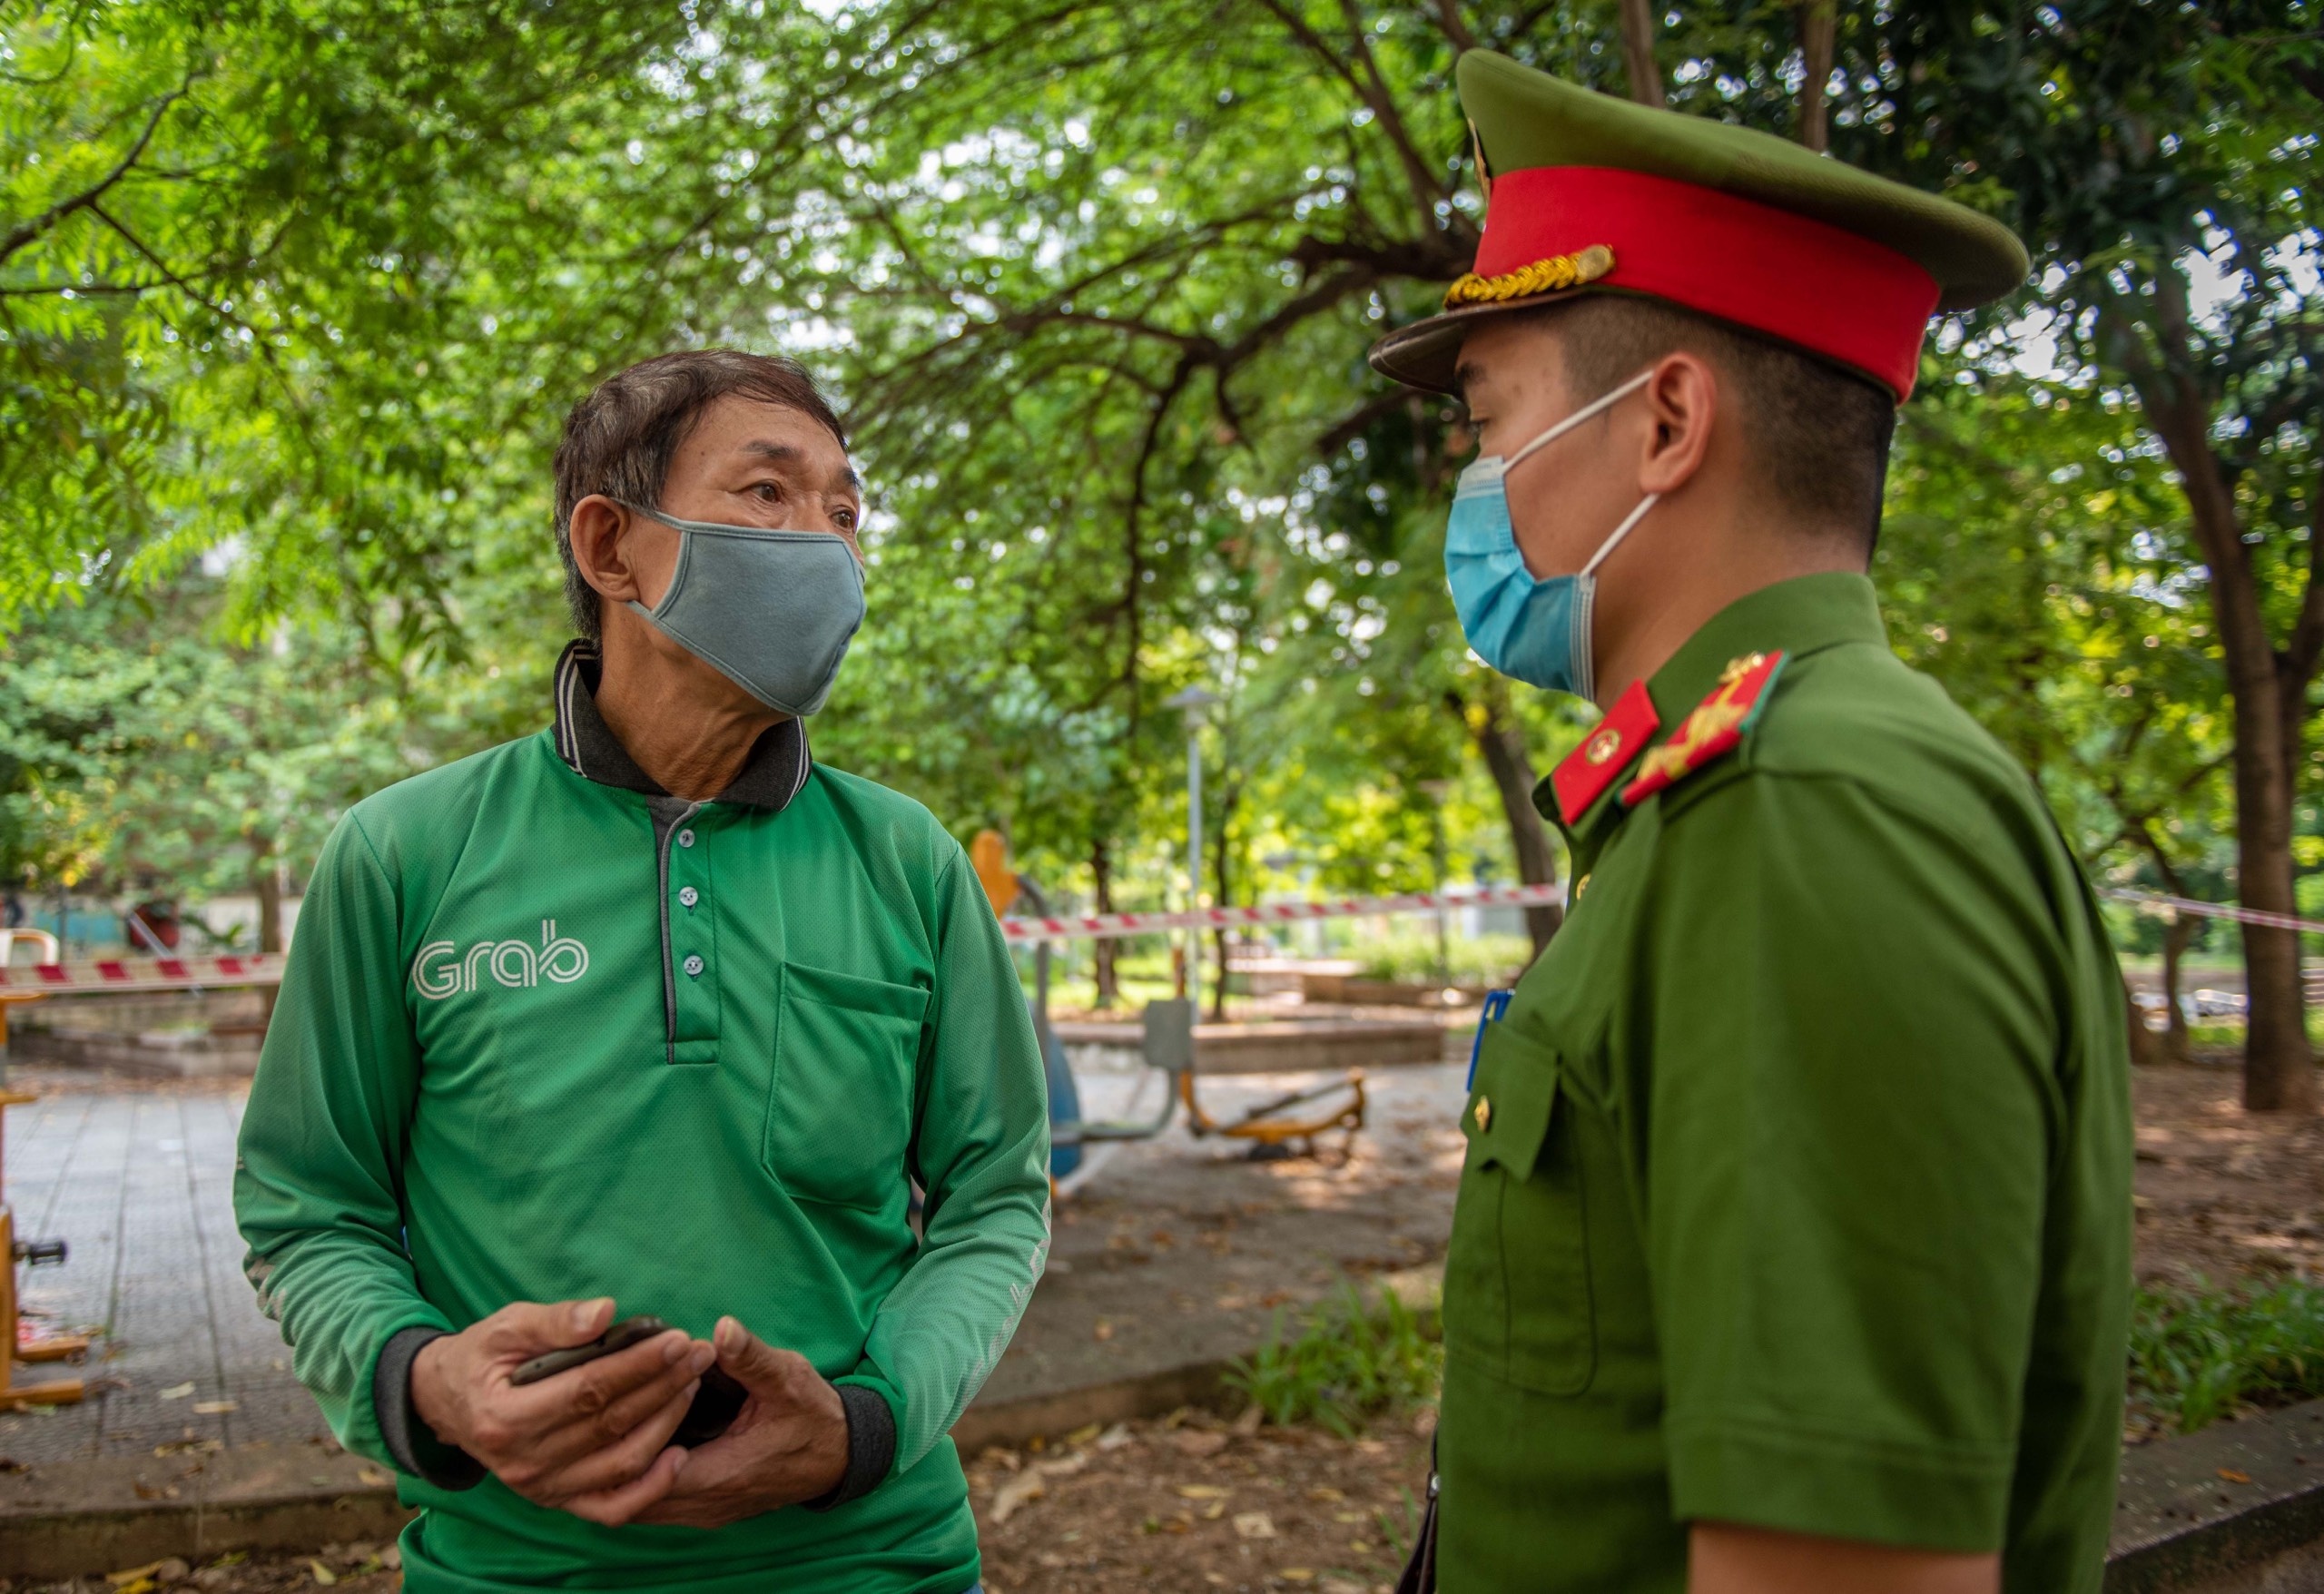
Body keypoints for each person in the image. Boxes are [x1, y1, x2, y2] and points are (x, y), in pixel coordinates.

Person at [1366, 54, 2131, 1594]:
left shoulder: (1806, 809)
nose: (1472, 475)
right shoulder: (1715, 797)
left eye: (1487, 414)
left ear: (1663, 424)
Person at [234, 350, 1049, 1594]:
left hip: (879, 1559)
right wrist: (423, 1380)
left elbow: (996, 1203)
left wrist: (868, 1421)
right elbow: (311, 1209)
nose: (826, 546)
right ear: (613, 549)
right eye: (770, 495)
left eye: (845, 512)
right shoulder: (402, 854)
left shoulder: (909, 862)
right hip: (514, 1569)